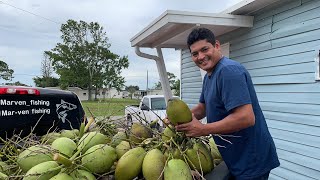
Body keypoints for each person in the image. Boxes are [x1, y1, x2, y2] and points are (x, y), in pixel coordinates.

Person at [174, 27, 280, 180]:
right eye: (195, 53)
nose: (200, 56)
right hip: (236, 157)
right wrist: (180, 120)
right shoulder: (209, 76)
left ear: (217, 46)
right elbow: (203, 108)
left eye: (205, 49)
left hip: (251, 159)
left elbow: (246, 118)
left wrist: (203, 129)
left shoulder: (228, 71)